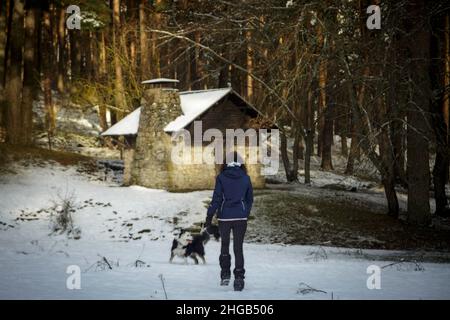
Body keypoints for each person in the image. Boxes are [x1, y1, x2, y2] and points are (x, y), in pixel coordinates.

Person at [205, 152, 253, 291]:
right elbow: (250, 199)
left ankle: (225, 274)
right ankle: (239, 279)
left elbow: (216, 199)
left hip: (224, 217)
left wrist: (209, 217)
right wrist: (245, 211)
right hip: (240, 218)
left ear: (226, 163)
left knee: (225, 245)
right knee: (238, 248)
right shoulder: (246, 178)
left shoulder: (221, 177)